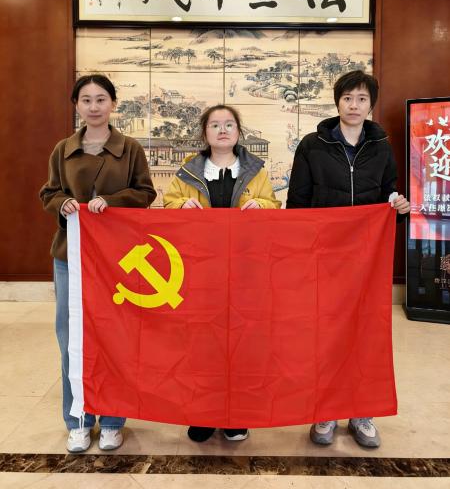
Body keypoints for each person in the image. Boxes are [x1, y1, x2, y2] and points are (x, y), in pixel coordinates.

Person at [286, 70, 410, 449]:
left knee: (365, 334)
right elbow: (297, 203)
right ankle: (325, 411)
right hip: (323, 256)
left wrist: (398, 207)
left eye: (361, 99)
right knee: (325, 335)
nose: (354, 105)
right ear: (337, 101)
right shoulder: (313, 145)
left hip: (366, 260)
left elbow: (388, 194)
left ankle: (361, 412)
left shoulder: (381, 147)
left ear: (370, 104)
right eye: (347, 98)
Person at [40, 75, 156, 453]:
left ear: (113, 104)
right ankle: (78, 420)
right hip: (70, 257)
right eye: (86, 100)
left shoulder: (130, 148)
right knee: (71, 339)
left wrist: (114, 201)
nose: (94, 106)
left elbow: (145, 192)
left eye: (101, 99)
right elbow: (49, 192)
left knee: (114, 338)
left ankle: (112, 421)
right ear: (76, 105)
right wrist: (63, 204)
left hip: (116, 260)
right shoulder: (63, 149)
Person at [164, 104, 281, 442]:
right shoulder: (188, 171)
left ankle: (236, 415)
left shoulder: (255, 171)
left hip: (245, 270)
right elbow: (168, 206)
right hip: (201, 272)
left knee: (242, 342)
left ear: (238, 132)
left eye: (229, 124)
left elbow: (274, 206)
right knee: (202, 342)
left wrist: (262, 206)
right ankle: (203, 413)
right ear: (205, 133)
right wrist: (180, 206)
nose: (223, 130)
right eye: (215, 125)